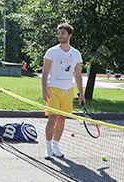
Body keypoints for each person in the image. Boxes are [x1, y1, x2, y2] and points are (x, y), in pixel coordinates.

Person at [42, 23, 85, 159]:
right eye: (59, 33)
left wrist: (81, 94)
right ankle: (48, 148)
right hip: (53, 88)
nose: (60, 35)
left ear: (69, 35)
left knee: (62, 119)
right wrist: (44, 90)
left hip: (68, 90)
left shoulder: (76, 54)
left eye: (63, 33)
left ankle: (56, 146)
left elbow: (77, 75)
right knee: (53, 118)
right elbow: (45, 72)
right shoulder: (51, 52)